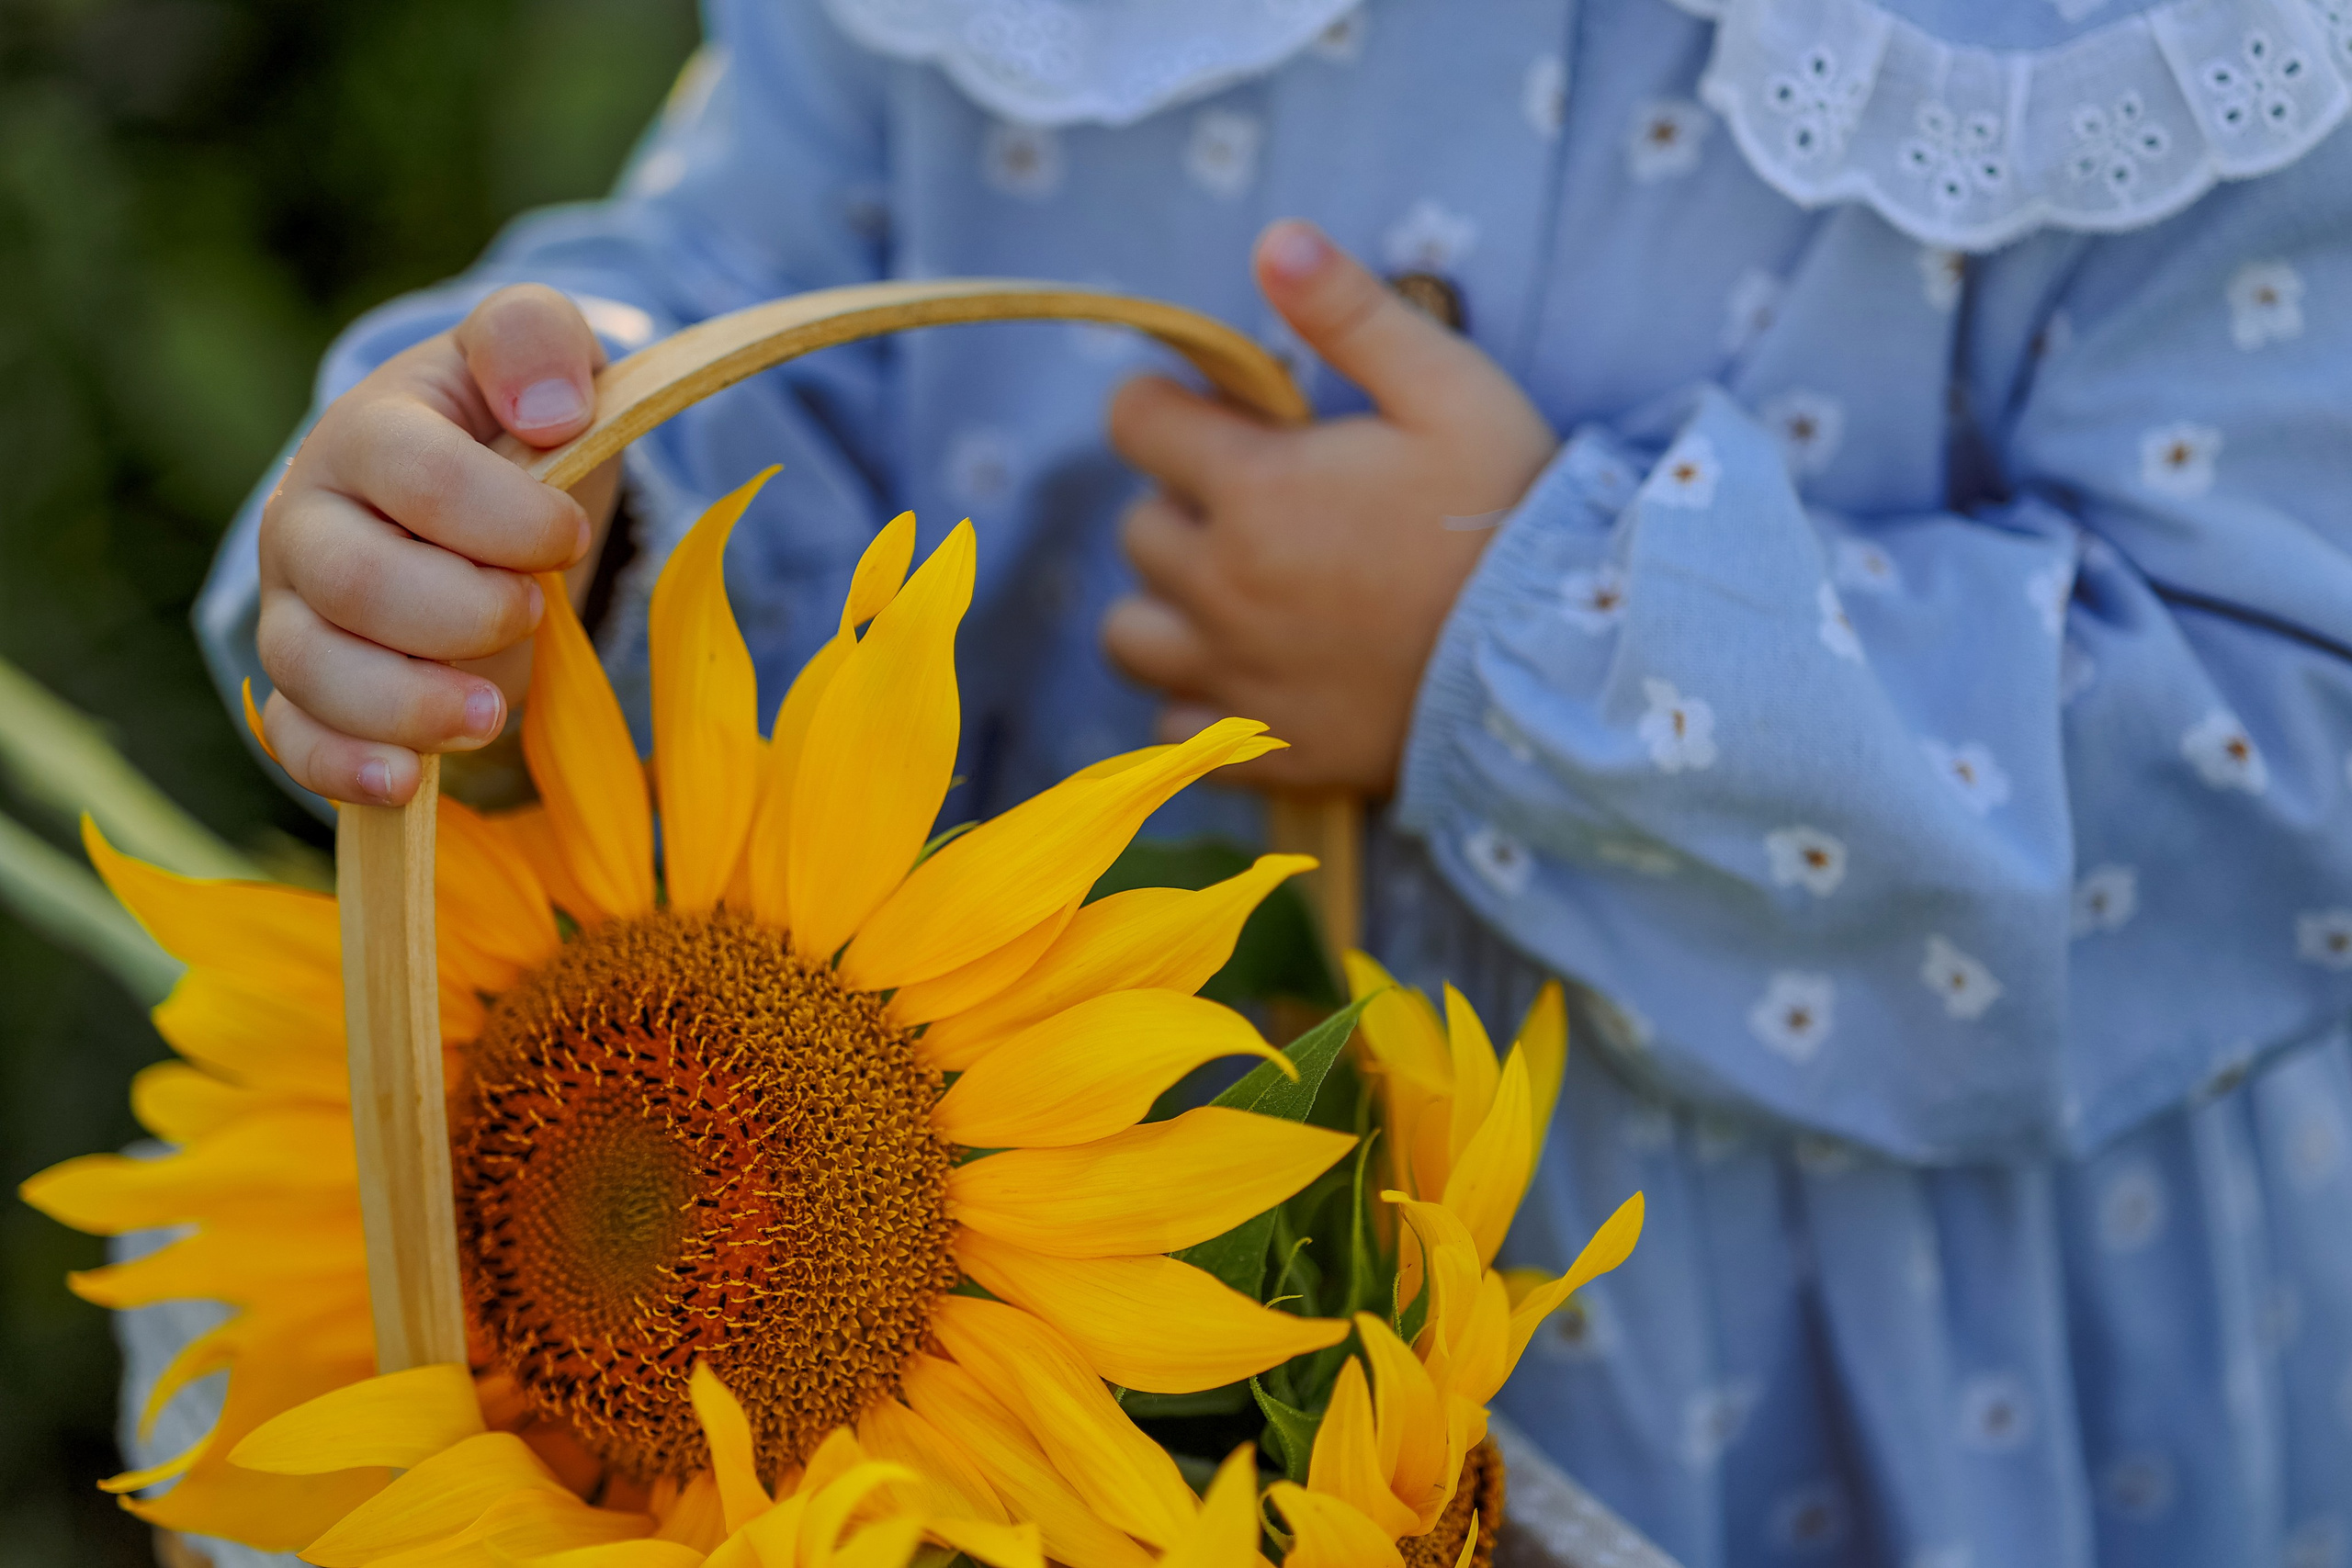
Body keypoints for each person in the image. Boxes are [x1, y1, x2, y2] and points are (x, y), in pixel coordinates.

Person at [188, 0, 2352, 1562]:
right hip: (994, 1332)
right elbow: (723, 296)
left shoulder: (2139, 51)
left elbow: (2276, 769)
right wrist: (533, 515)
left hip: (1839, 1375)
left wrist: (1532, 648)